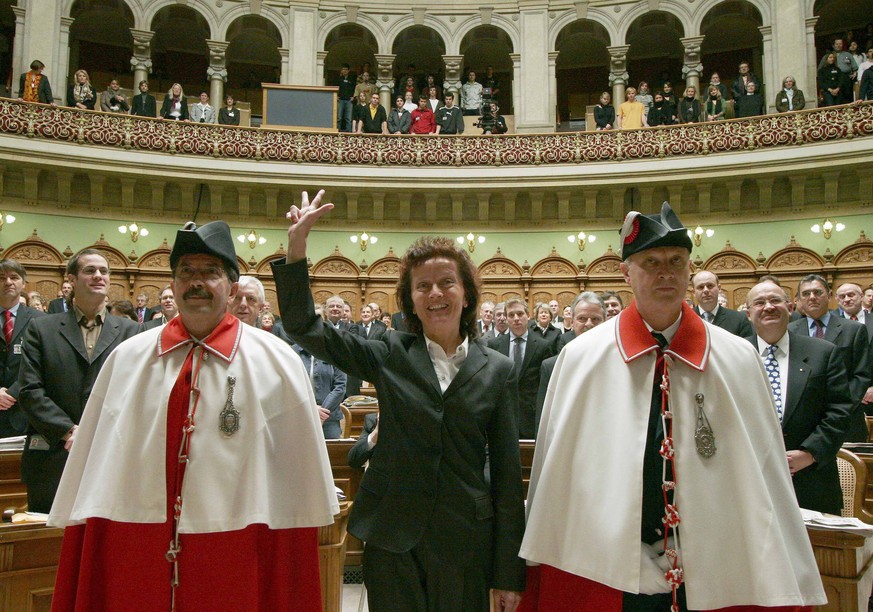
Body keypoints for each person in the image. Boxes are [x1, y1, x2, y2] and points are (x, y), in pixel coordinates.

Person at [520, 202, 826, 611]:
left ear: (689, 268)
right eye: (651, 261)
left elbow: (764, 471)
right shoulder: (582, 357)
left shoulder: (737, 357)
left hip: (714, 564)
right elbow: (555, 476)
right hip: (606, 568)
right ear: (626, 273)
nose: (665, 271)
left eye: (676, 261)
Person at [48, 221, 338, 610]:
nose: (196, 282)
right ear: (173, 284)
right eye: (186, 273)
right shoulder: (128, 358)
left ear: (232, 288)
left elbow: (294, 485)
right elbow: (99, 468)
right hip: (137, 544)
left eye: (210, 273)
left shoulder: (277, 361)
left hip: (241, 544)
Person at [272, 190, 525, 611]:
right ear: (410, 300)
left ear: (466, 293)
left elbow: (504, 472)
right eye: (422, 286)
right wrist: (296, 251)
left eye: (447, 282)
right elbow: (303, 327)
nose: (435, 293)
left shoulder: (497, 368)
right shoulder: (390, 352)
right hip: (393, 540)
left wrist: (507, 573)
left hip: (466, 543)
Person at [19, 249, 140, 513]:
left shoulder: (132, 331)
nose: (99, 276)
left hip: (111, 455)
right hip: (53, 456)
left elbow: (136, 392)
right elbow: (30, 390)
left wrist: (98, 432)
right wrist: (69, 431)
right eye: (90, 270)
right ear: (71, 279)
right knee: (47, 547)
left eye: (104, 271)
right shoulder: (42, 329)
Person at [744, 280, 853, 514]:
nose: (768, 307)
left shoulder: (823, 352)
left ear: (791, 307)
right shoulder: (734, 355)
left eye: (775, 300)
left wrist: (810, 453)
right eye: (759, 302)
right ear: (748, 313)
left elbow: (840, 411)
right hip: (749, 481)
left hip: (811, 480)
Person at [789, 274, 871, 441]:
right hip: (803, 422)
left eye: (817, 292)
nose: (812, 297)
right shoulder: (789, 331)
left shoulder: (853, 330)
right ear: (798, 299)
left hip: (845, 418)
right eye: (806, 294)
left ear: (829, 295)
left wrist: (840, 407)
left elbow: (861, 375)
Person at [534, 292, 605, 430]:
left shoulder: (619, 362)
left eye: (595, 319)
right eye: (582, 318)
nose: (589, 324)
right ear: (572, 322)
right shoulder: (551, 367)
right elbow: (544, 421)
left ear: (605, 321)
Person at [487, 298, 556, 439]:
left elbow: (546, 382)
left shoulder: (543, 346)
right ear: (506, 318)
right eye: (511, 315)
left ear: (528, 316)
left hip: (530, 415)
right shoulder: (494, 345)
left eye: (520, 314)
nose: (516, 318)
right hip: (502, 413)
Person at [0, 259, 45, 437]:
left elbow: (43, 364)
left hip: (25, 413)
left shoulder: (41, 320)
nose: (8, 282)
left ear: (23, 283)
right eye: (2, 277)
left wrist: (12, 393)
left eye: (14, 277)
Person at [692, 270, 753, 337]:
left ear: (719, 288)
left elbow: (747, 346)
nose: (706, 290)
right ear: (694, 292)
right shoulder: (684, 318)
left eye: (710, 286)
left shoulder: (739, 319)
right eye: (701, 287)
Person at [335, 63, 356, 132]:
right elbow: (335, 88)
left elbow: (355, 88)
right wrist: (336, 96)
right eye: (343, 69)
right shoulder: (338, 79)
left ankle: (349, 132)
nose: (344, 71)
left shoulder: (352, 79)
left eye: (346, 69)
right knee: (339, 117)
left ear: (348, 70)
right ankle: (337, 131)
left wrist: (353, 96)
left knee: (348, 118)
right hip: (340, 100)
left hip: (349, 101)